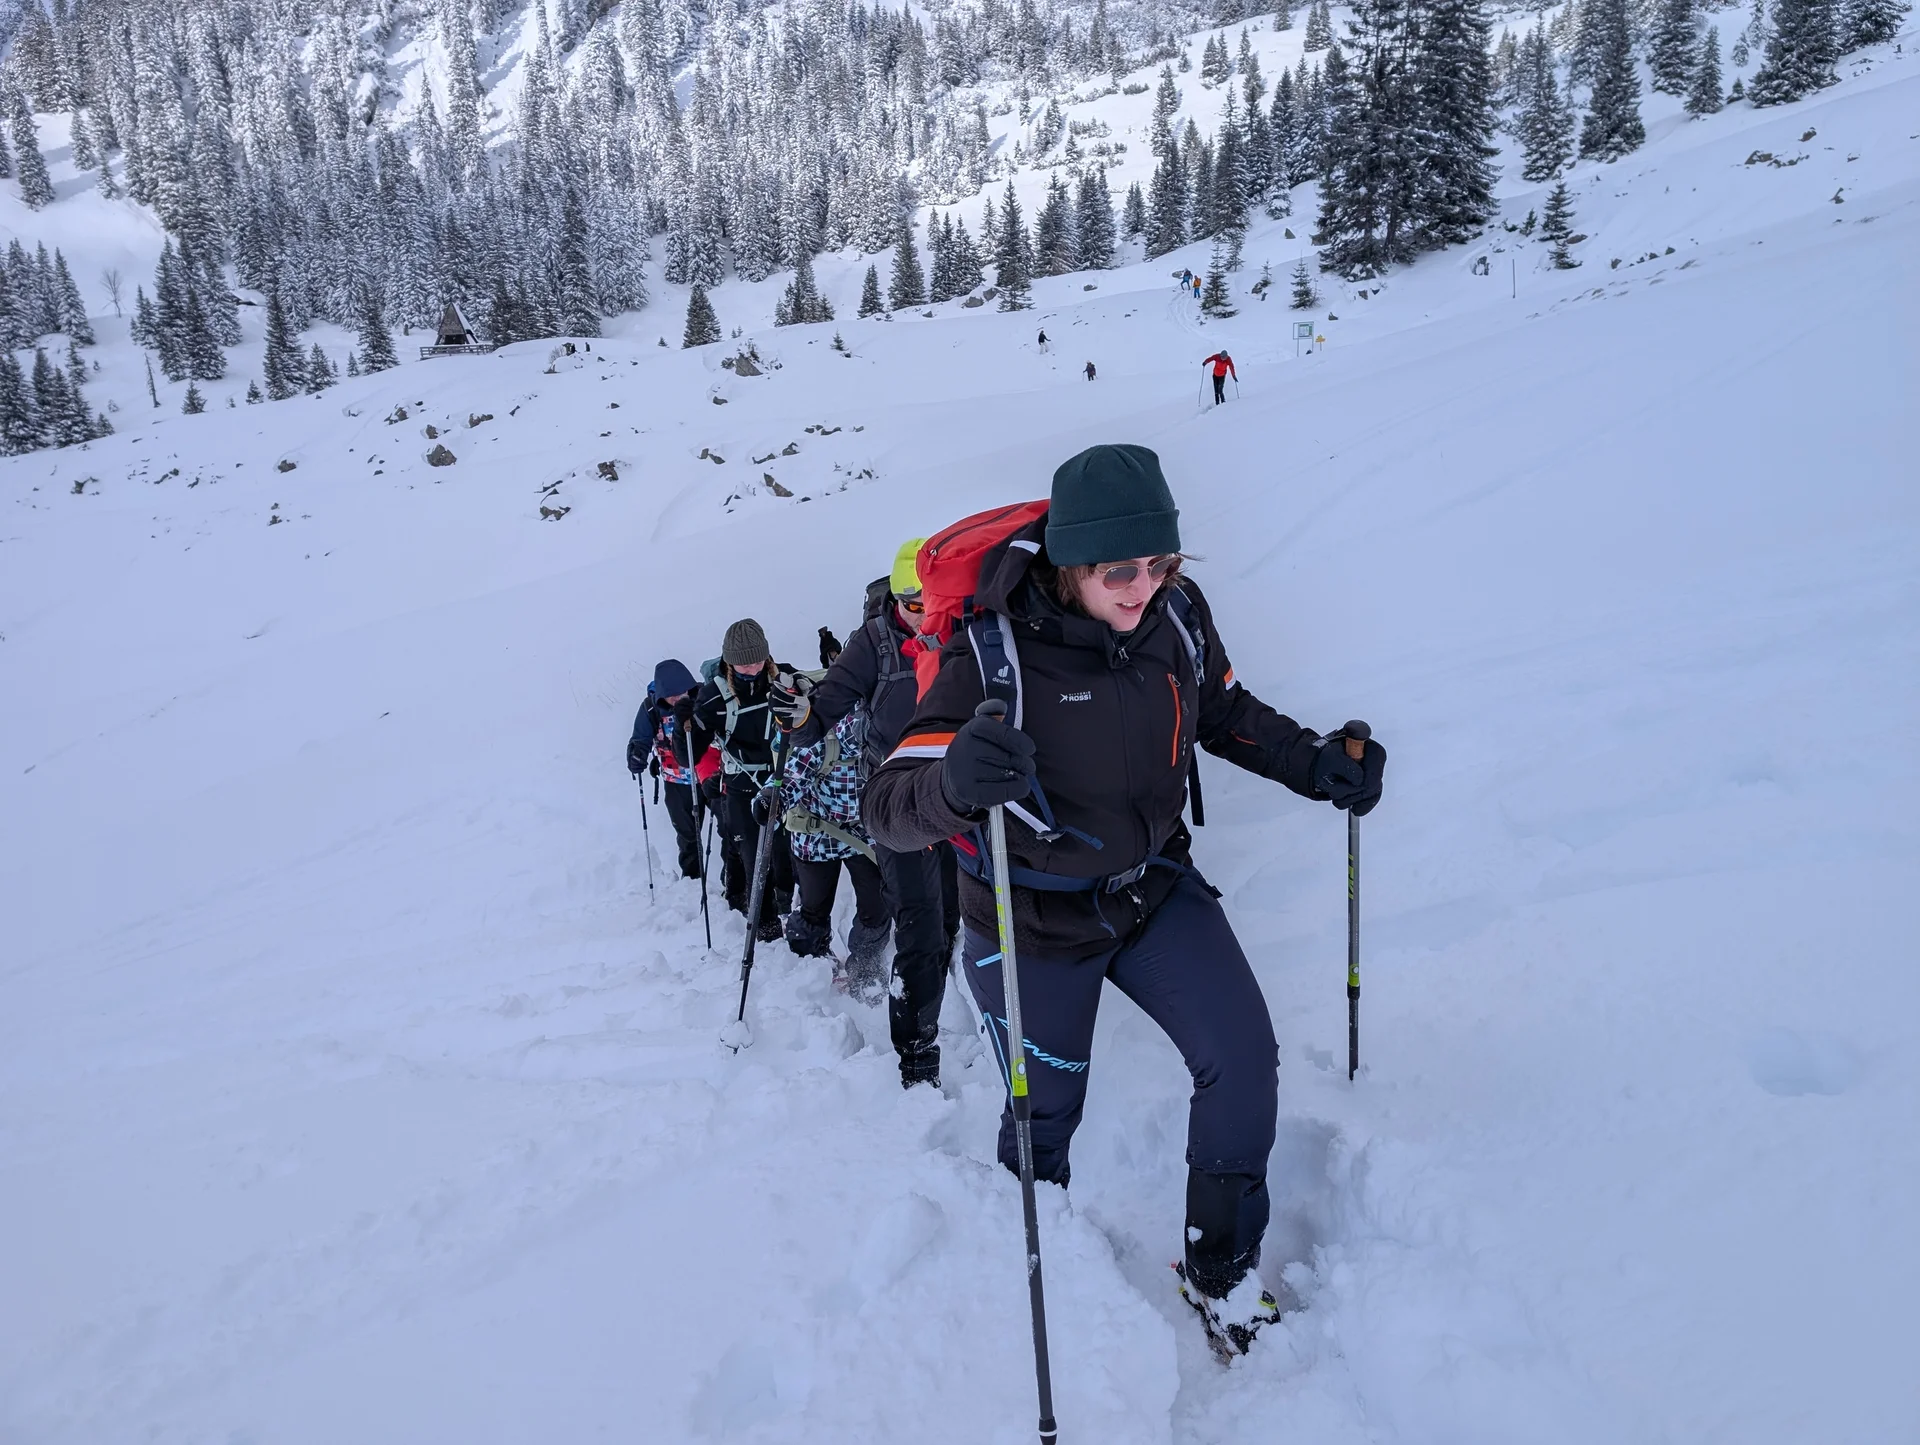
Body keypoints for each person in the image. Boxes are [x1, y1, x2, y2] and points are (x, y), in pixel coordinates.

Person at [863, 444, 1386, 1351]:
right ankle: (1043, 1280)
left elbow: (1223, 712)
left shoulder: (1176, 615)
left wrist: (1314, 763)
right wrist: (953, 781)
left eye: (1161, 562)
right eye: (1120, 570)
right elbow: (888, 804)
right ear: (1070, 564)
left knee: (1242, 1058)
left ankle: (1221, 1272)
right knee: (1043, 1117)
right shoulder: (991, 650)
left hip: (1151, 889)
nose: (1144, 585)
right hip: (1029, 919)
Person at [773, 539, 958, 1087]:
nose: (924, 614)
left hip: (956, 797)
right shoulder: (873, 642)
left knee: (950, 922)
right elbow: (820, 716)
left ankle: (941, 1009)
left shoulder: (960, 628)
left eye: (932, 602)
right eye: (913, 604)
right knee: (919, 925)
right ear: (895, 600)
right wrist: (798, 718)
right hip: (897, 800)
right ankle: (917, 1054)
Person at [691, 619, 797, 942]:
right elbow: (689, 755)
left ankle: (789, 912)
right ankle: (766, 932)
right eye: (742, 663)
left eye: (757, 660)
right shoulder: (714, 697)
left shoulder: (785, 679)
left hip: (781, 781)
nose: (751, 668)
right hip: (740, 786)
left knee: (786, 854)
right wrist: (689, 725)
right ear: (729, 662)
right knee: (755, 859)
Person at [628, 658, 720, 879]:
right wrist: (637, 755)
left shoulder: (703, 697)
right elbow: (640, 738)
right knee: (687, 835)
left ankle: (734, 883)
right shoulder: (651, 708)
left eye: (682, 693)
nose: (679, 699)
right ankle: (692, 880)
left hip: (711, 774)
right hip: (676, 780)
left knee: (730, 828)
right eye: (672, 696)